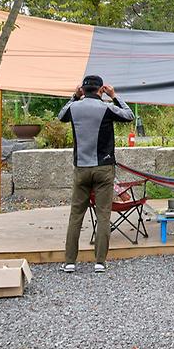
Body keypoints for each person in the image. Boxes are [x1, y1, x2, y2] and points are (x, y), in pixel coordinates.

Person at [58, 75, 134, 274]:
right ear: (101, 90)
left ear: (82, 90)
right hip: (104, 168)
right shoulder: (107, 108)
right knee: (103, 216)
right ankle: (100, 262)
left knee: (76, 216)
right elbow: (129, 115)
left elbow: (61, 115)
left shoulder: (74, 108)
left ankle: (69, 262)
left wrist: (74, 97)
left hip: (81, 169)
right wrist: (114, 96)